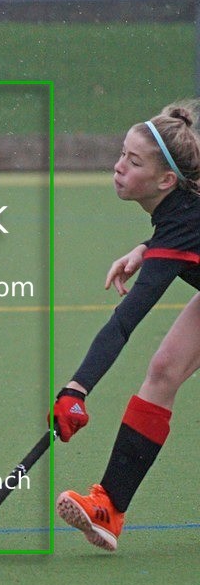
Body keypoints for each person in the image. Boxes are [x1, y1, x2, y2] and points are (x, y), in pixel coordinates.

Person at [51, 102, 200, 551]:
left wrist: (76, 389)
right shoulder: (181, 210)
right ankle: (108, 508)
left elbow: (123, 324)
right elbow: (180, 229)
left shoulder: (182, 225)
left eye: (133, 163)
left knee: (163, 369)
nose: (118, 167)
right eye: (122, 154)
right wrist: (146, 246)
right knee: (164, 370)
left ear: (165, 181)